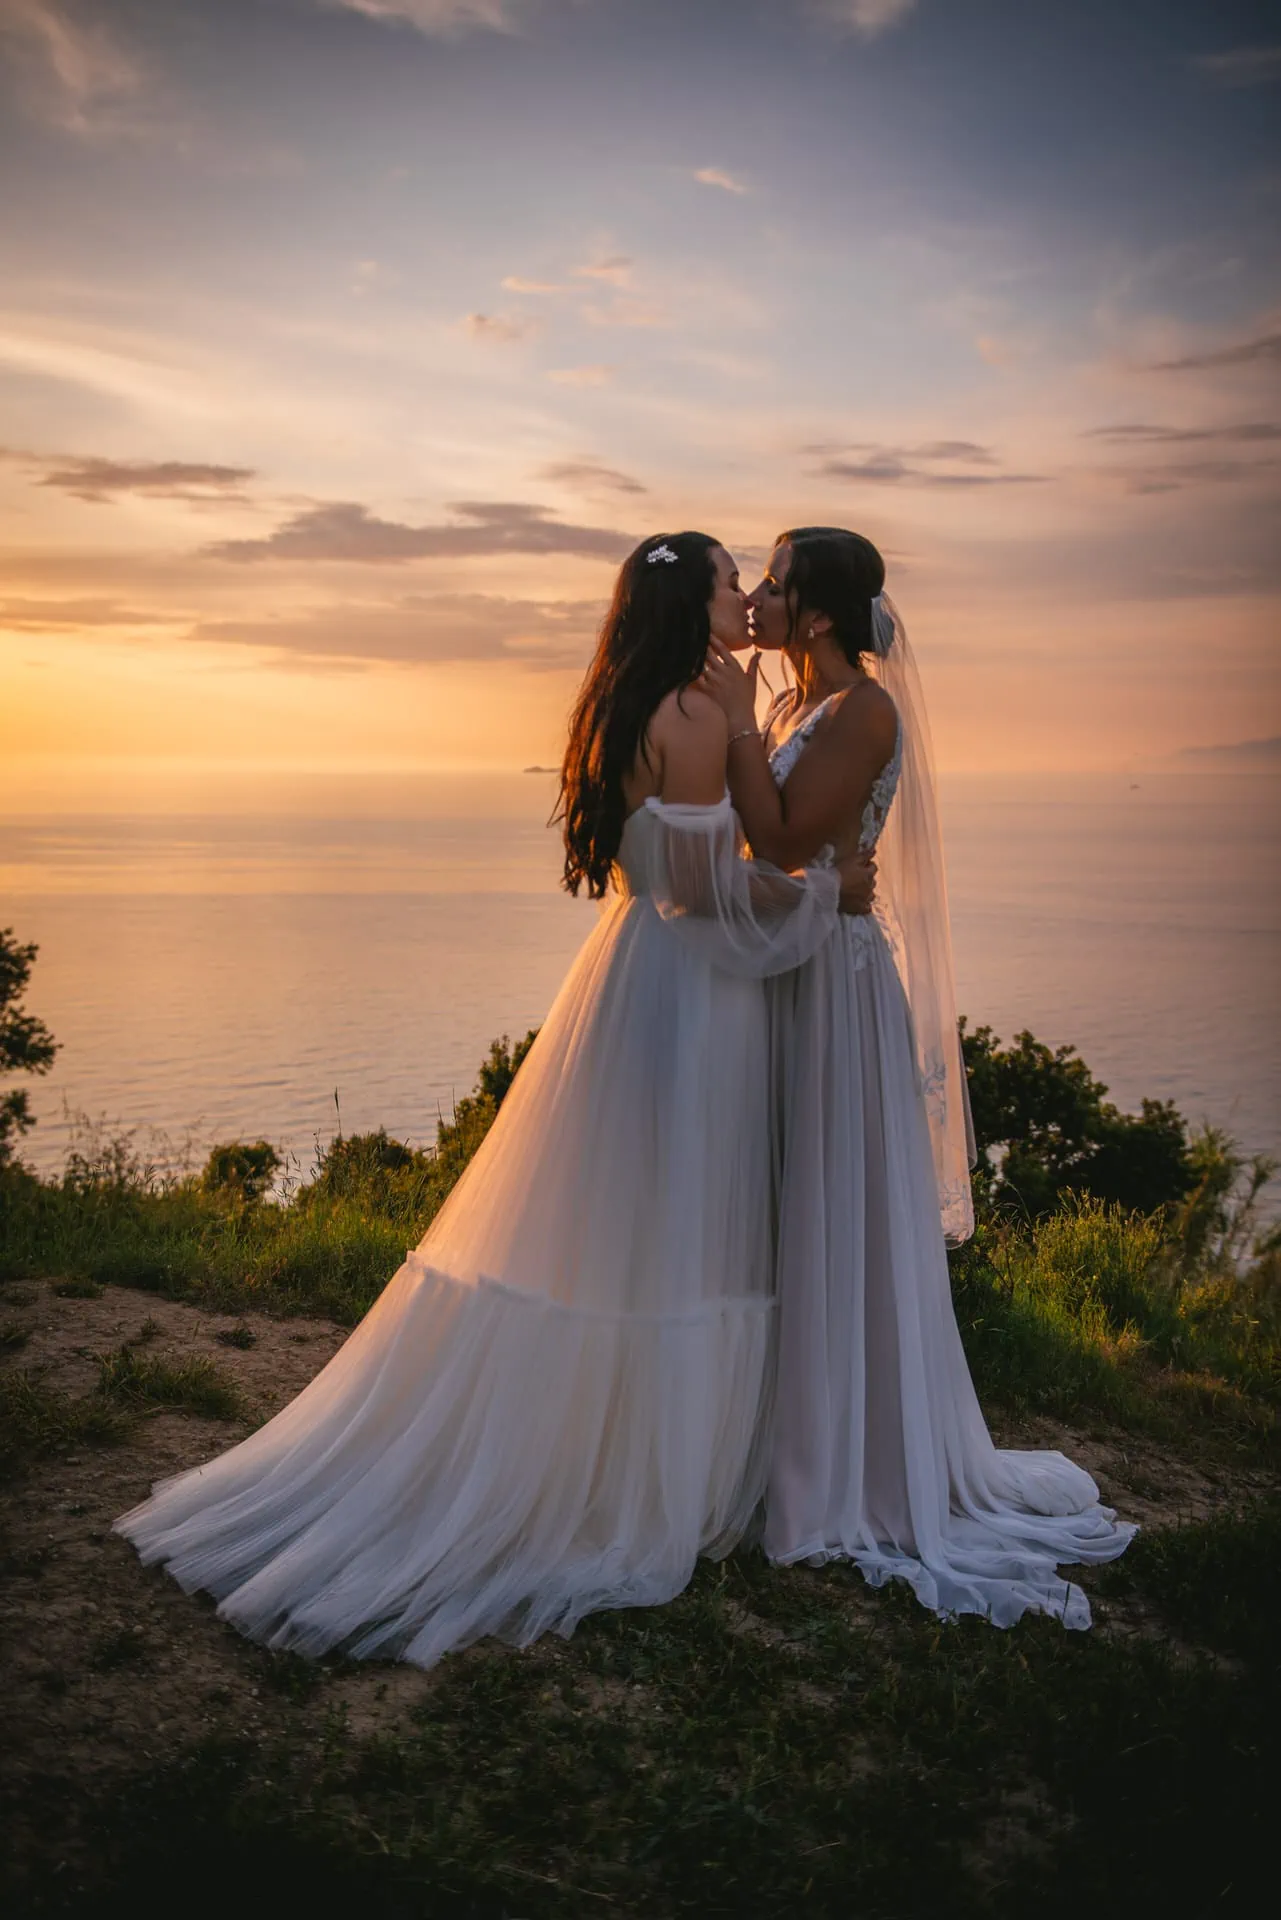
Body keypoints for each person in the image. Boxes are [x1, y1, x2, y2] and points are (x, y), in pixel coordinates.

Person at [115, 532, 872, 1667]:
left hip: (627, 984)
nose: (743, 602)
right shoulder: (704, 714)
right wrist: (823, 901)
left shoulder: (625, 704)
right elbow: (719, 894)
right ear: (689, 604)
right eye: (727, 583)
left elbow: (653, 875)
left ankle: (600, 1437)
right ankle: (652, 1480)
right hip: (695, 1002)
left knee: (609, 1228)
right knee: (682, 1234)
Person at [699, 526, 1134, 1628]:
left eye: (778, 583)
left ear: (824, 614)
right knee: (777, 1194)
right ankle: (760, 1430)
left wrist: (741, 741)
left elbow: (787, 841)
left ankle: (844, 1455)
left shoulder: (863, 712)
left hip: (836, 988)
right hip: (788, 966)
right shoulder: (795, 708)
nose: (759, 593)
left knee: (834, 1207)